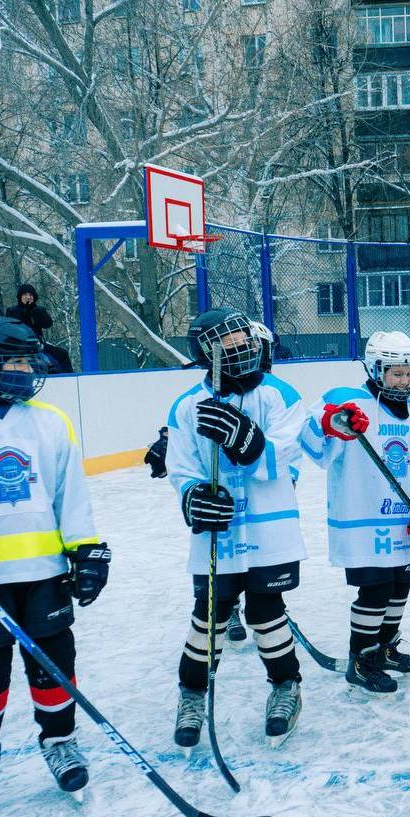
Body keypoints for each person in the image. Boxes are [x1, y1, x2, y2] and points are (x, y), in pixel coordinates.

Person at [0, 317, 110, 817]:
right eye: (14, 362)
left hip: (44, 574)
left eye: (28, 361)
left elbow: (70, 492)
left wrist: (86, 548)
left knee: (53, 664)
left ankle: (60, 742)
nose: (26, 371)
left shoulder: (49, 420)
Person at [165, 309, 306, 751]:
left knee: (267, 613)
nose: (240, 346)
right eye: (227, 343)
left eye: (244, 338)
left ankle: (286, 686)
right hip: (218, 535)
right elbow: (181, 467)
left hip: (270, 530)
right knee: (210, 615)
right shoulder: (187, 406)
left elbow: (283, 458)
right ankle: (192, 694)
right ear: (204, 353)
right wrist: (193, 496)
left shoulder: (280, 394)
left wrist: (245, 438)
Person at [299, 331, 410, 696]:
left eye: (409, 373)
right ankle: (361, 661)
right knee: (374, 592)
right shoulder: (346, 400)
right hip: (360, 520)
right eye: (396, 372)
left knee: (400, 587)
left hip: (402, 520)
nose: (404, 380)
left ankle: (386, 649)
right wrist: (332, 423)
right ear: (376, 370)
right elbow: (309, 440)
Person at [3, 285, 72, 375]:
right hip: (21, 346)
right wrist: (24, 312)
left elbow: (48, 324)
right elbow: (12, 328)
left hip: (39, 344)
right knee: (42, 361)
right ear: (20, 296)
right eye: (25, 295)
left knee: (62, 353)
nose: (28, 297)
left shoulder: (39, 310)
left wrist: (36, 311)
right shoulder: (12, 311)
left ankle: (70, 377)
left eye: (31, 295)